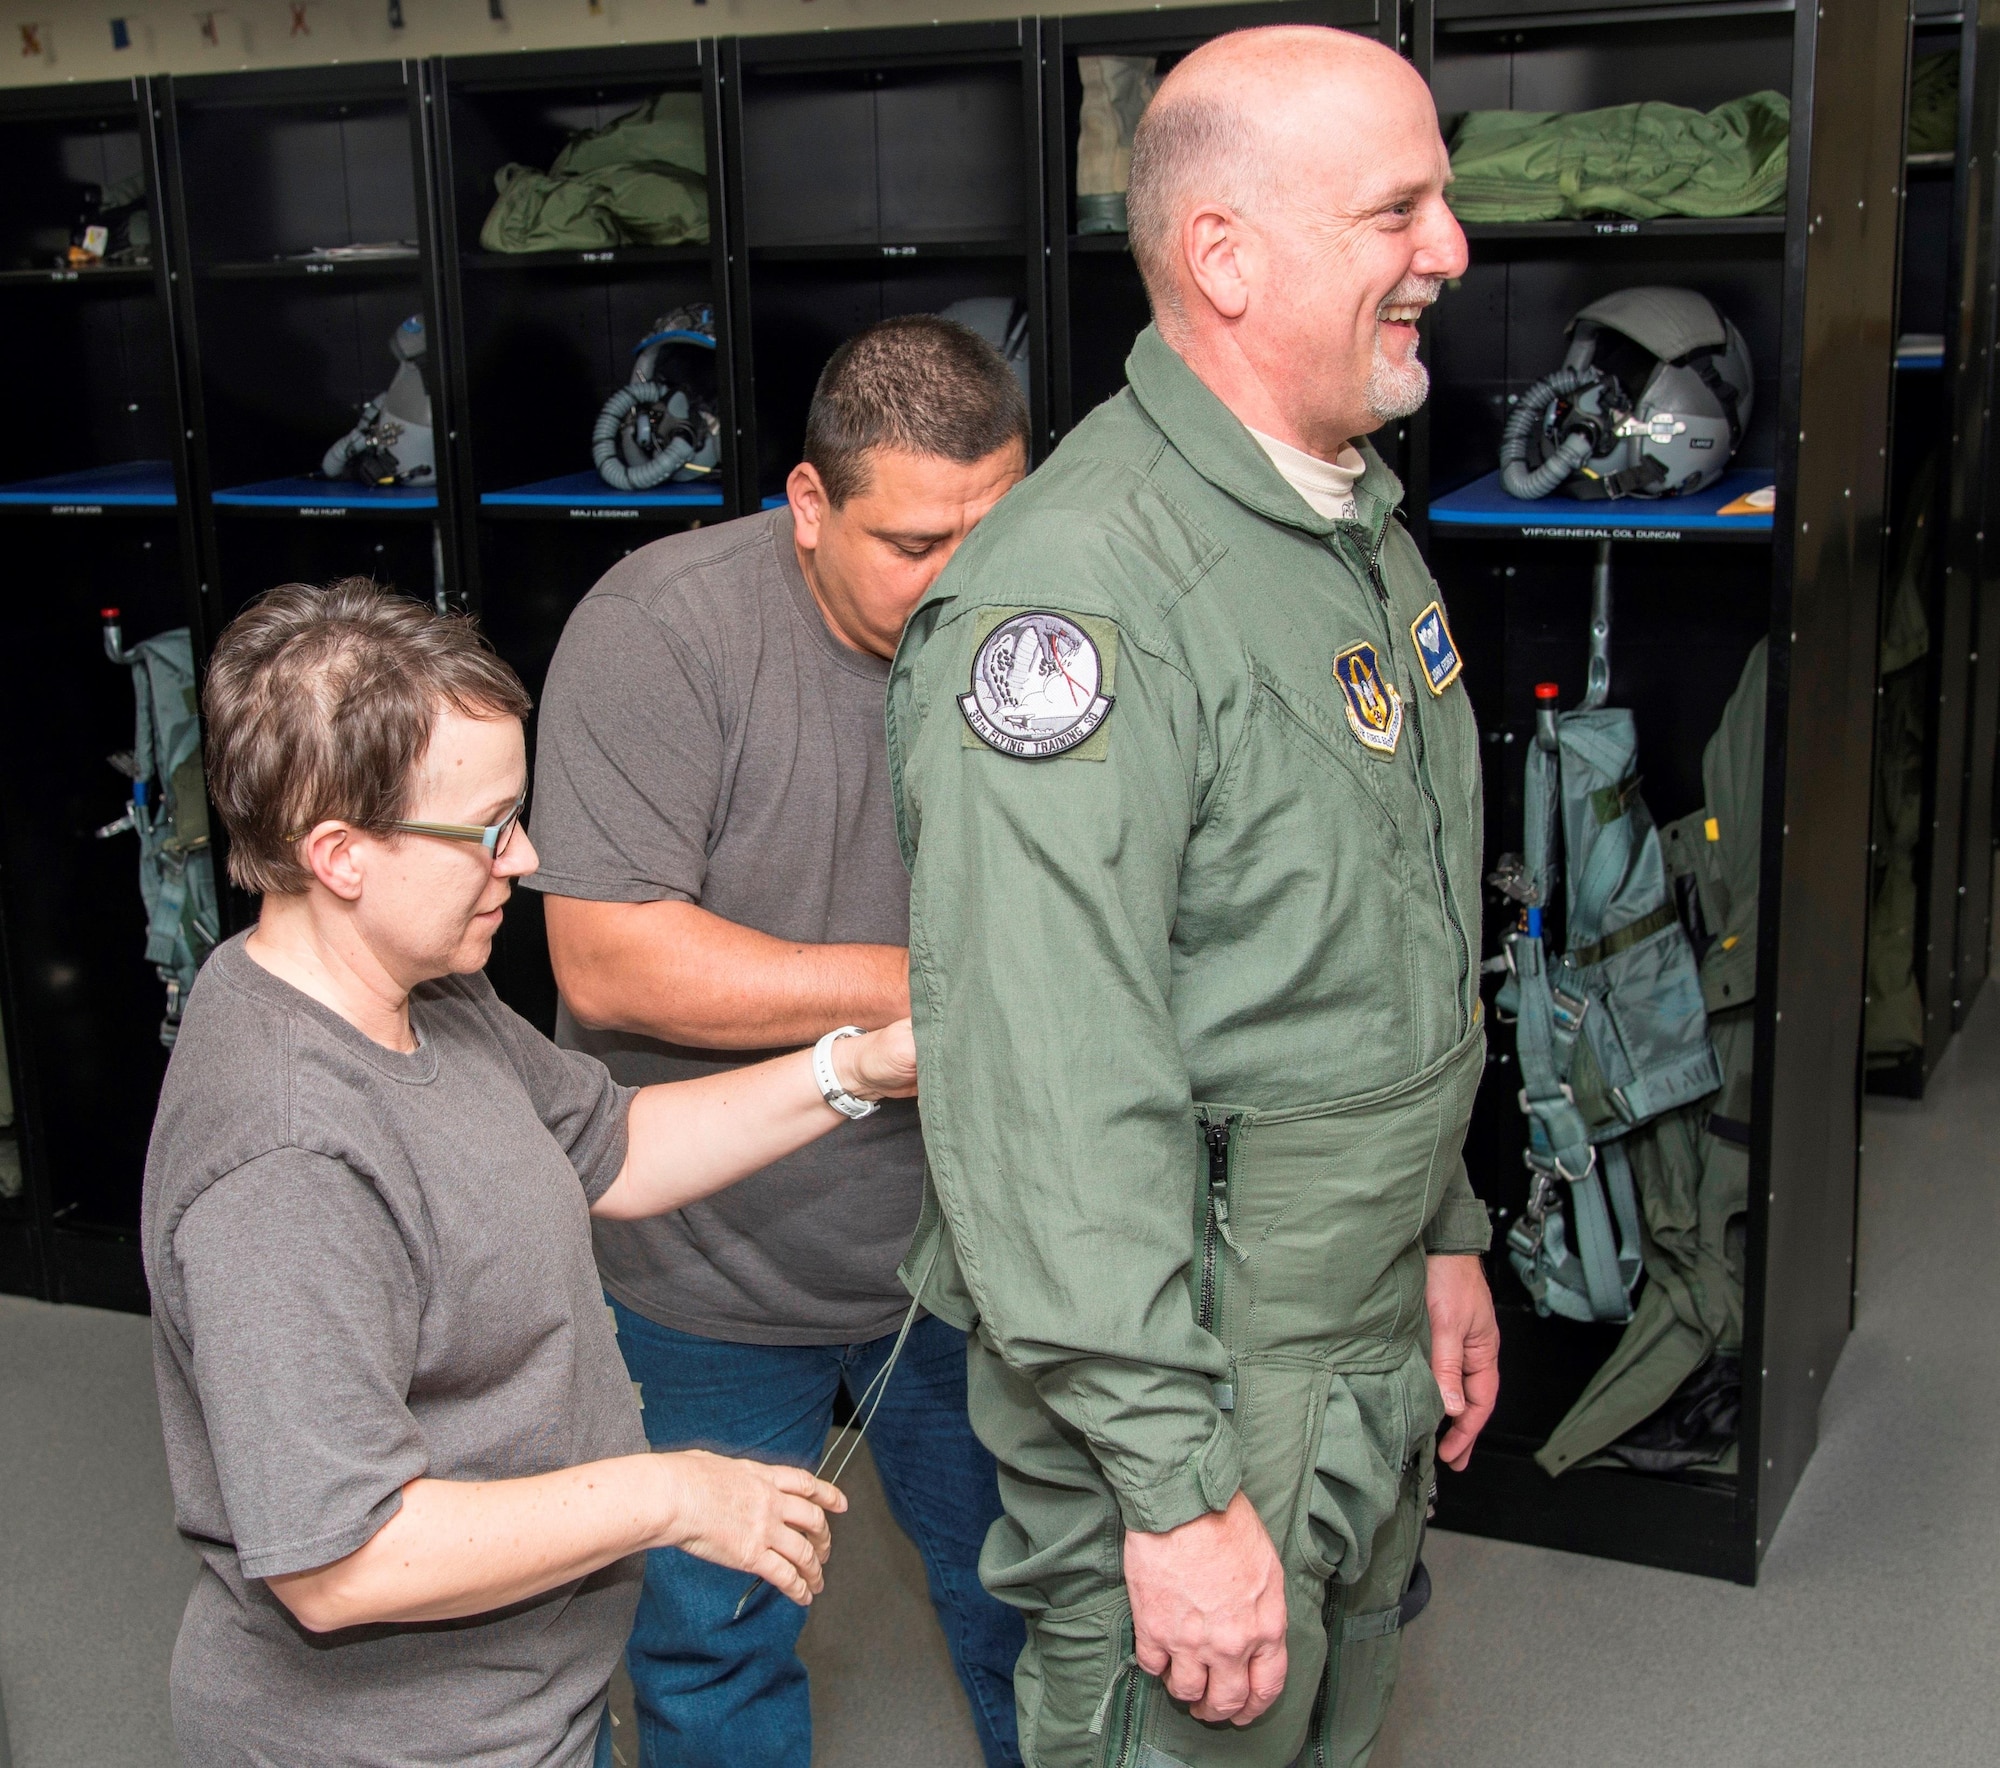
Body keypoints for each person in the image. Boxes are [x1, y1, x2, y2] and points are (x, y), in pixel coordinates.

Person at [883, 27, 1498, 1768]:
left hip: (1357, 1313)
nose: (1450, 249)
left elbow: (1375, 932)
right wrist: (1172, 1490)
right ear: (1226, 255)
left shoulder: (1344, 522)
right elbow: (1050, 1092)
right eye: (1401, 206)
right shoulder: (1078, 606)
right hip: (1199, 1370)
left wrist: (1438, 1230)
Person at [142, 581, 917, 1768]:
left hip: (527, 1708)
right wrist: (673, 1495)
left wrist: (855, 1066)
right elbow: (343, 1559)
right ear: (340, 855)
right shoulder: (286, 1158)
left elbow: (616, 1146)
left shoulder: (425, 993)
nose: (530, 855)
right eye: (489, 827)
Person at [528, 314, 1030, 1768]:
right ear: (808, 509)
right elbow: (609, 959)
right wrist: (920, 988)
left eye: (992, 529)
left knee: (1034, 1616)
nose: (966, 579)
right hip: (708, 1263)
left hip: (961, 1251)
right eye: (916, 541)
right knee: (713, 1649)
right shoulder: (660, 631)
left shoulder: (1038, 622)